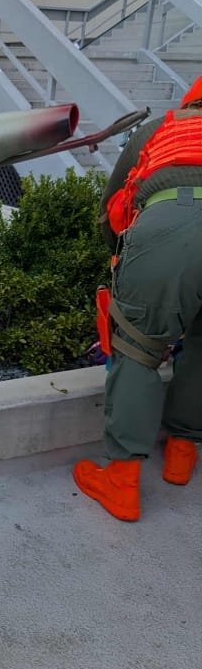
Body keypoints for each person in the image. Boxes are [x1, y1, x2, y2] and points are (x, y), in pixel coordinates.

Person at [73, 76, 202, 521]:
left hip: (168, 227)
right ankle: (182, 455)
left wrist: (122, 257)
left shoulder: (160, 128)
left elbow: (115, 202)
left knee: (137, 346)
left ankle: (123, 483)